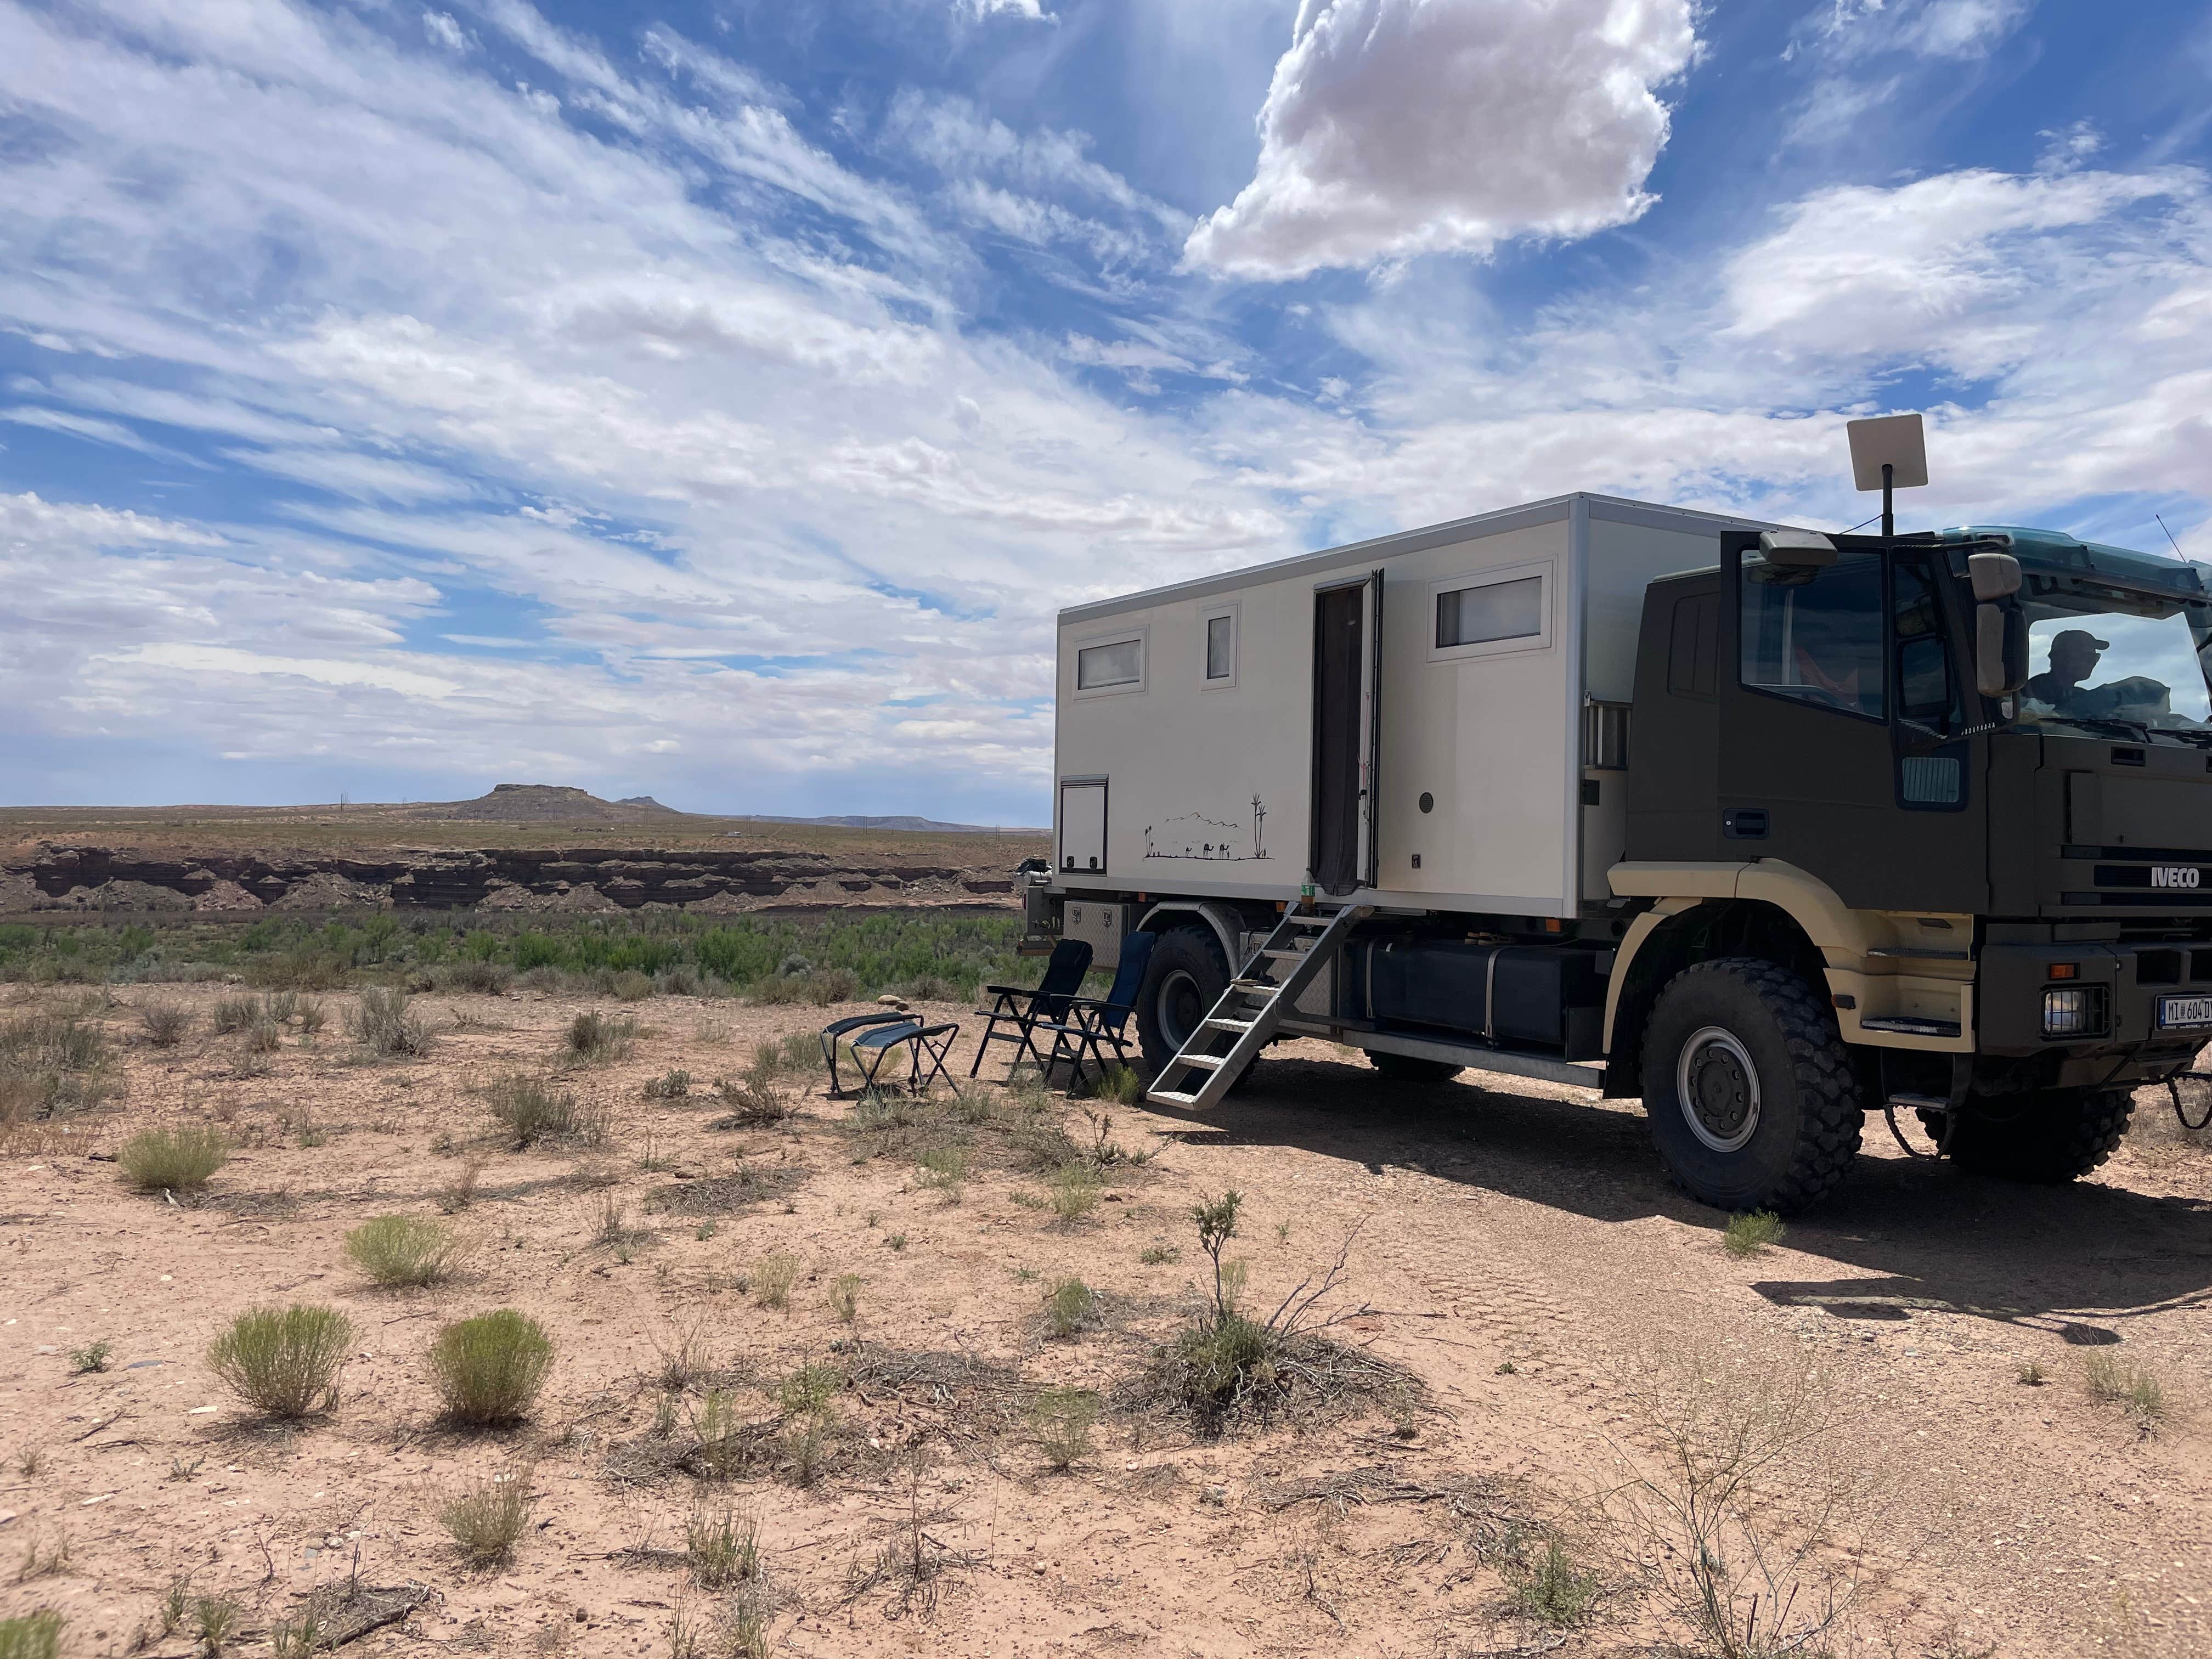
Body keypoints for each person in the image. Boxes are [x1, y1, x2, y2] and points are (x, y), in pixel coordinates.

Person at [2022, 628, 2108, 710]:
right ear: (2062, 658)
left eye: (2095, 657)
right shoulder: (2035, 690)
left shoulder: (2078, 694)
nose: (2093, 663)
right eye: (2088, 657)